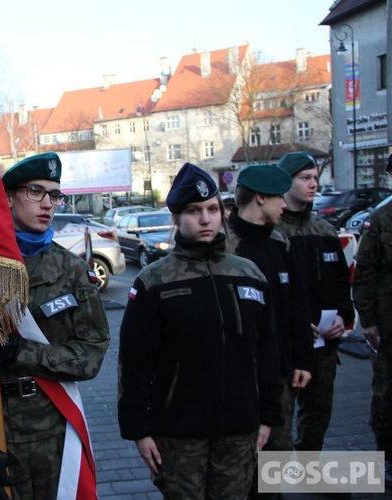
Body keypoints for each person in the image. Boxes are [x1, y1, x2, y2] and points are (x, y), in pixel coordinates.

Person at [0, 152, 110, 499]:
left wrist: (17, 352)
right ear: (7, 197)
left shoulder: (72, 272)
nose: (48, 204)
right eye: (36, 192)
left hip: (57, 425)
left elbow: (91, 354)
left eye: (54, 195)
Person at [118, 162, 282, 499]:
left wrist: (268, 416)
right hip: (179, 435)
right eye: (194, 211)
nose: (205, 219)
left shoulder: (248, 273)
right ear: (177, 217)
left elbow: (266, 350)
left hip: (240, 428)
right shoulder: (154, 280)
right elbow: (134, 361)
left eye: (212, 209)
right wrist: (138, 430)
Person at [228, 164, 314, 454]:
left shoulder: (279, 243)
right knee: (239, 462)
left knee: (277, 456)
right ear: (261, 198)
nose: (284, 204)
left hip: (279, 373)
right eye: (280, 197)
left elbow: (296, 307)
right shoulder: (226, 246)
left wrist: (302, 359)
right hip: (237, 376)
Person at [276, 151, 354, 452]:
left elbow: (339, 282)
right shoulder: (273, 231)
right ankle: (272, 489)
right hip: (288, 344)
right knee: (280, 419)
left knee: (318, 413)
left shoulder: (324, 230)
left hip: (324, 343)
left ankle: (309, 472)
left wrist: (342, 317)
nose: (313, 185)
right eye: (305, 178)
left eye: (315, 179)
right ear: (287, 181)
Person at [353, 154, 392, 487]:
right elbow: (365, 273)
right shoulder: (380, 221)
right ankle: (386, 457)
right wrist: (368, 321)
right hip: (389, 323)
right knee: (386, 394)